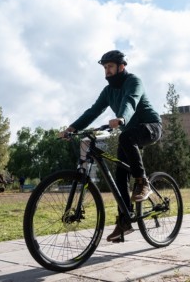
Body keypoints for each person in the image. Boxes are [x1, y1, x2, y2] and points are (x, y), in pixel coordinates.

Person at [60, 50, 162, 242]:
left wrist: (122, 117)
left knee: (125, 138)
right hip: (128, 132)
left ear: (121, 67)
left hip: (150, 127)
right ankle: (125, 221)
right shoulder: (108, 91)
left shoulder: (133, 81)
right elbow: (93, 111)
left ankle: (142, 181)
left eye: (110, 67)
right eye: (105, 67)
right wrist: (71, 128)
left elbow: (130, 100)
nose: (107, 71)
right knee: (120, 175)